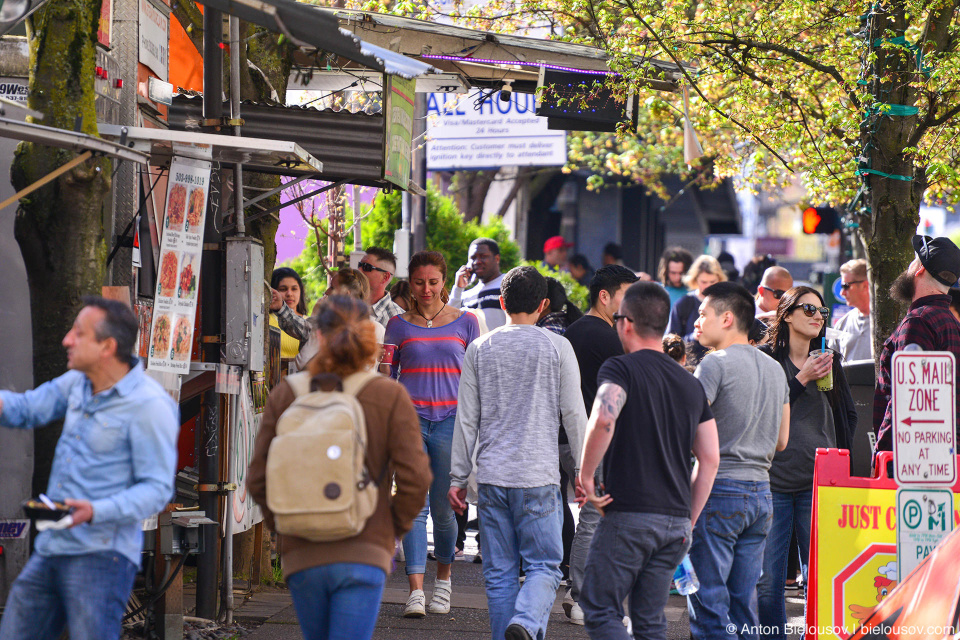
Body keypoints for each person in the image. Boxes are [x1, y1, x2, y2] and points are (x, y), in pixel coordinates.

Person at [247, 296, 431, 640]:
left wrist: (286, 524)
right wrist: (389, 531)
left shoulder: (288, 393)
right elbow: (416, 478)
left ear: (318, 335)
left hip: (303, 550)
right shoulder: (388, 395)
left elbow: (258, 477)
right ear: (369, 335)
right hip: (364, 548)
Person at [0, 297, 179, 640]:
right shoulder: (76, 383)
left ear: (107, 347)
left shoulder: (150, 406)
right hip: (52, 547)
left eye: (78, 333)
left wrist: (95, 511)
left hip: (102, 558)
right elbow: (27, 409)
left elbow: (156, 490)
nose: (67, 339)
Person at [448, 266, 587, 640]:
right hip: (538, 476)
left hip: (492, 477)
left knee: (499, 573)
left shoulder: (480, 348)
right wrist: (587, 470)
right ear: (544, 305)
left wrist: (458, 477)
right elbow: (574, 413)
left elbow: (466, 420)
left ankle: (513, 629)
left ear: (502, 302)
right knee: (545, 566)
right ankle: (525, 622)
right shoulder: (558, 347)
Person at [578, 281, 721, 640]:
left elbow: (604, 418)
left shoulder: (621, 368)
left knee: (599, 609)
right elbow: (710, 459)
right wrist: (688, 518)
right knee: (651, 621)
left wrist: (585, 476)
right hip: (674, 522)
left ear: (626, 323)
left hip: (629, 514)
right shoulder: (691, 385)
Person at [689, 282, 791, 640]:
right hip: (762, 494)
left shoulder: (714, 365)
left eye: (703, 314)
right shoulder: (776, 370)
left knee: (708, 600)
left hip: (718, 491)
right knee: (742, 604)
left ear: (727, 318)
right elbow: (782, 440)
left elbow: (688, 430)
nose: (697, 322)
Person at [757, 287, 858, 640]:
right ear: (785, 315)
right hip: (774, 481)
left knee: (820, 574)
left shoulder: (830, 360)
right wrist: (801, 380)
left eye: (822, 311)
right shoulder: (767, 361)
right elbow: (762, 412)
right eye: (809, 309)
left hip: (822, 483)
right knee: (769, 579)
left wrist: (841, 462)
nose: (817, 316)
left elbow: (846, 415)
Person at [384, 251, 481, 617]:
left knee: (443, 510)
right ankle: (415, 591)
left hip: (451, 423)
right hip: (408, 424)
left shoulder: (466, 322)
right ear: (411, 282)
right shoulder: (397, 326)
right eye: (420, 282)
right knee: (411, 507)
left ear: (445, 282)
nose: (426, 289)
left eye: (434, 282)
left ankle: (444, 581)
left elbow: (477, 380)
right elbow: (385, 378)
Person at [560, 264, 638, 625]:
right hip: (595, 441)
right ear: (604, 296)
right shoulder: (608, 337)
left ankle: (577, 592)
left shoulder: (572, 332)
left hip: (563, 439)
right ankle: (582, 596)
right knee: (594, 517)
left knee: (587, 516)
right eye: (626, 295)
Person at [874, 235, 960, 453]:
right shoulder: (951, 323)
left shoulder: (918, 322)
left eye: (913, 262)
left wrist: (883, 453)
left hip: (913, 459)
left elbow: (909, 399)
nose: (909, 267)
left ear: (920, 269)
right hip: (945, 455)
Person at [667, 255, 727, 364]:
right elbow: (670, 341)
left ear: (719, 279)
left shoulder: (727, 304)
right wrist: (692, 337)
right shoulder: (684, 304)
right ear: (695, 280)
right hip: (690, 365)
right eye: (704, 282)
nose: (708, 286)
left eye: (712, 282)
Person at [451, 238, 507, 331]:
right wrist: (458, 288)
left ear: (497, 259)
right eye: (473, 258)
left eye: (483, 256)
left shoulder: (508, 285)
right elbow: (447, 319)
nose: (477, 261)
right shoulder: (465, 296)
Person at [829, 259, 872, 361]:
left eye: (845, 286)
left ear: (865, 285)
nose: (842, 293)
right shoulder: (842, 324)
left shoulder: (888, 322)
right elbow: (832, 365)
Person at [270, 267, 309, 360]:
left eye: (294, 289)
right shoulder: (263, 321)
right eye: (283, 289)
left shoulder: (309, 324)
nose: (289, 294)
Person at [359, 246, 403, 329]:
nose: (359, 270)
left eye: (366, 267)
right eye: (359, 265)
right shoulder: (348, 306)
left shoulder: (397, 319)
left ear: (385, 277)